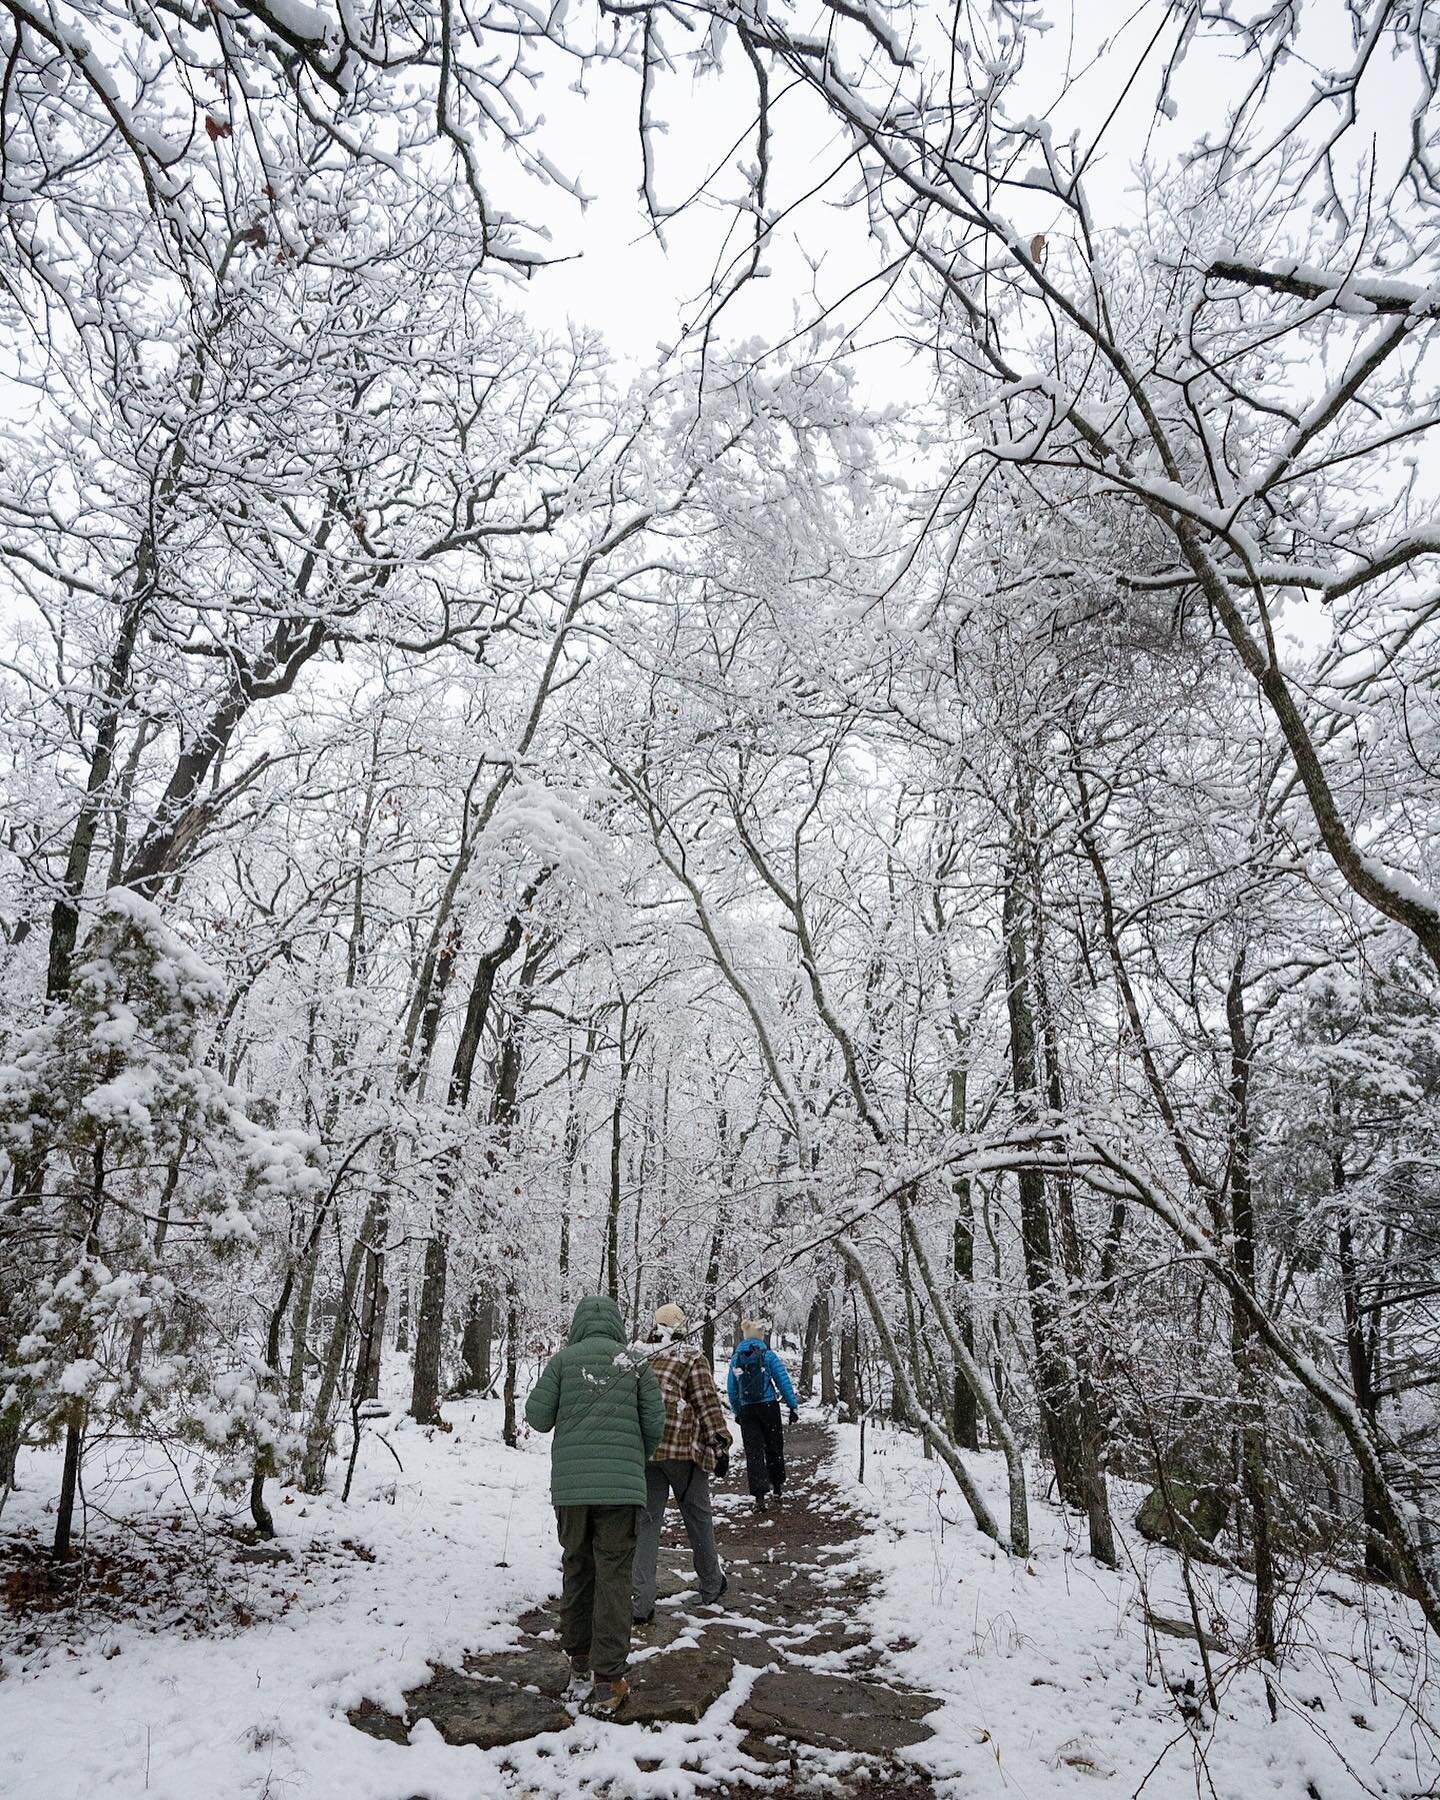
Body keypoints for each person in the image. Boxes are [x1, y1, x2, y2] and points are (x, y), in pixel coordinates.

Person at [525, 1294, 664, 1717]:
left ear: (578, 1324)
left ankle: (579, 1662)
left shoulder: (563, 1362)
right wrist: (634, 1461)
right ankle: (608, 1679)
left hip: (572, 1492)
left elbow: (536, 1416)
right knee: (615, 1577)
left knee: (578, 1568)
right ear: (618, 1325)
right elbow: (655, 1423)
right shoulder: (636, 1363)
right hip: (621, 1493)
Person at [631, 1302, 732, 1627]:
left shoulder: (637, 1356)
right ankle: (711, 1585)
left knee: (646, 1525)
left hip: (646, 1452)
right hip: (683, 1452)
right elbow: (706, 1402)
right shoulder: (690, 1356)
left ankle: (639, 1602)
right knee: (698, 1518)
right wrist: (720, 1444)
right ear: (682, 1328)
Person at [726, 1317, 799, 1513]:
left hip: (748, 1410)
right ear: (761, 1335)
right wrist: (792, 1406)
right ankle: (777, 1487)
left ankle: (759, 1497)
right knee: (774, 1445)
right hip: (768, 1407)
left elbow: (732, 1389)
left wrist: (737, 1410)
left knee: (754, 1451)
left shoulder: (736, 1358)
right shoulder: (767, 1355)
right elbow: (782, 1380)